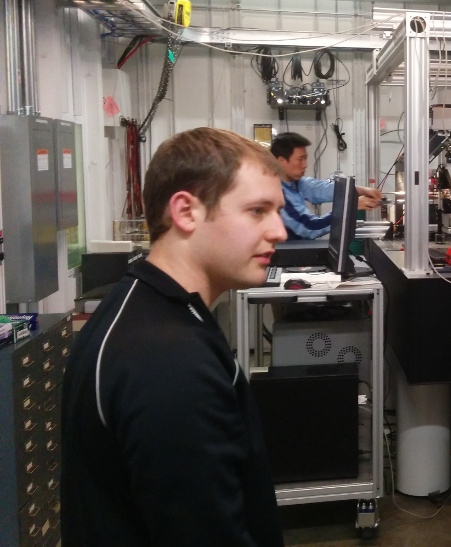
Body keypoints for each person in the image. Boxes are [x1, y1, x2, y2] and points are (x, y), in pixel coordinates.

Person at [61, 127, 287, 546]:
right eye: (258, 211)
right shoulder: (168, 364)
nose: (279, 231)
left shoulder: (147, 307)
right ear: (186, 212)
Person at [270, 132, 382, 239]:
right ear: (281, 161)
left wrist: (359, 190)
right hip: (287, 256)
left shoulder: (294, 182)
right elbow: (310, 228)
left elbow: (319, 188)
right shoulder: (276, 194)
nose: (305, 165)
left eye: (305, 159)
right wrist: (350, 207)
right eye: (300, 159)